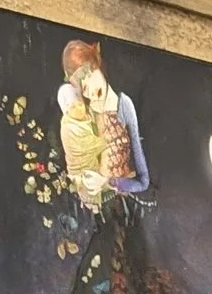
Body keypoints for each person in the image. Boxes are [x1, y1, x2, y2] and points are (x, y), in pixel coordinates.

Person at [57, 40, 150, 212]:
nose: (89, 90)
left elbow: (143, 182)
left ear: (98, 65)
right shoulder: (82, 115)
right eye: (82, 87)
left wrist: (108, 182)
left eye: (89, 75)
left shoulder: (124, 105)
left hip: (122, 210)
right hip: (87, 210)